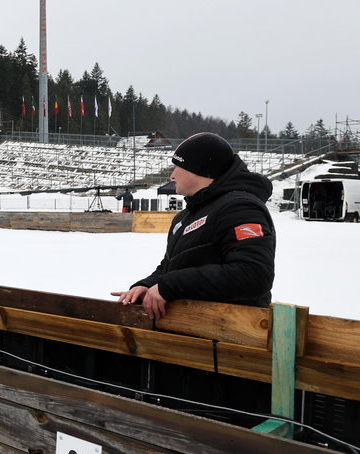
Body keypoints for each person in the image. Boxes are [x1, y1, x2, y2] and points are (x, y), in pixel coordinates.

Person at [111, 132, 275, 319]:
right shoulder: (187, 215)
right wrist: (147, 285)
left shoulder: (240, 208)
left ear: (198, 170)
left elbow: (252, 275)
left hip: (232, 332)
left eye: (177, 167)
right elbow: (170, 266)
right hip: (192, 328)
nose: (172, 176)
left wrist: (169, 286)